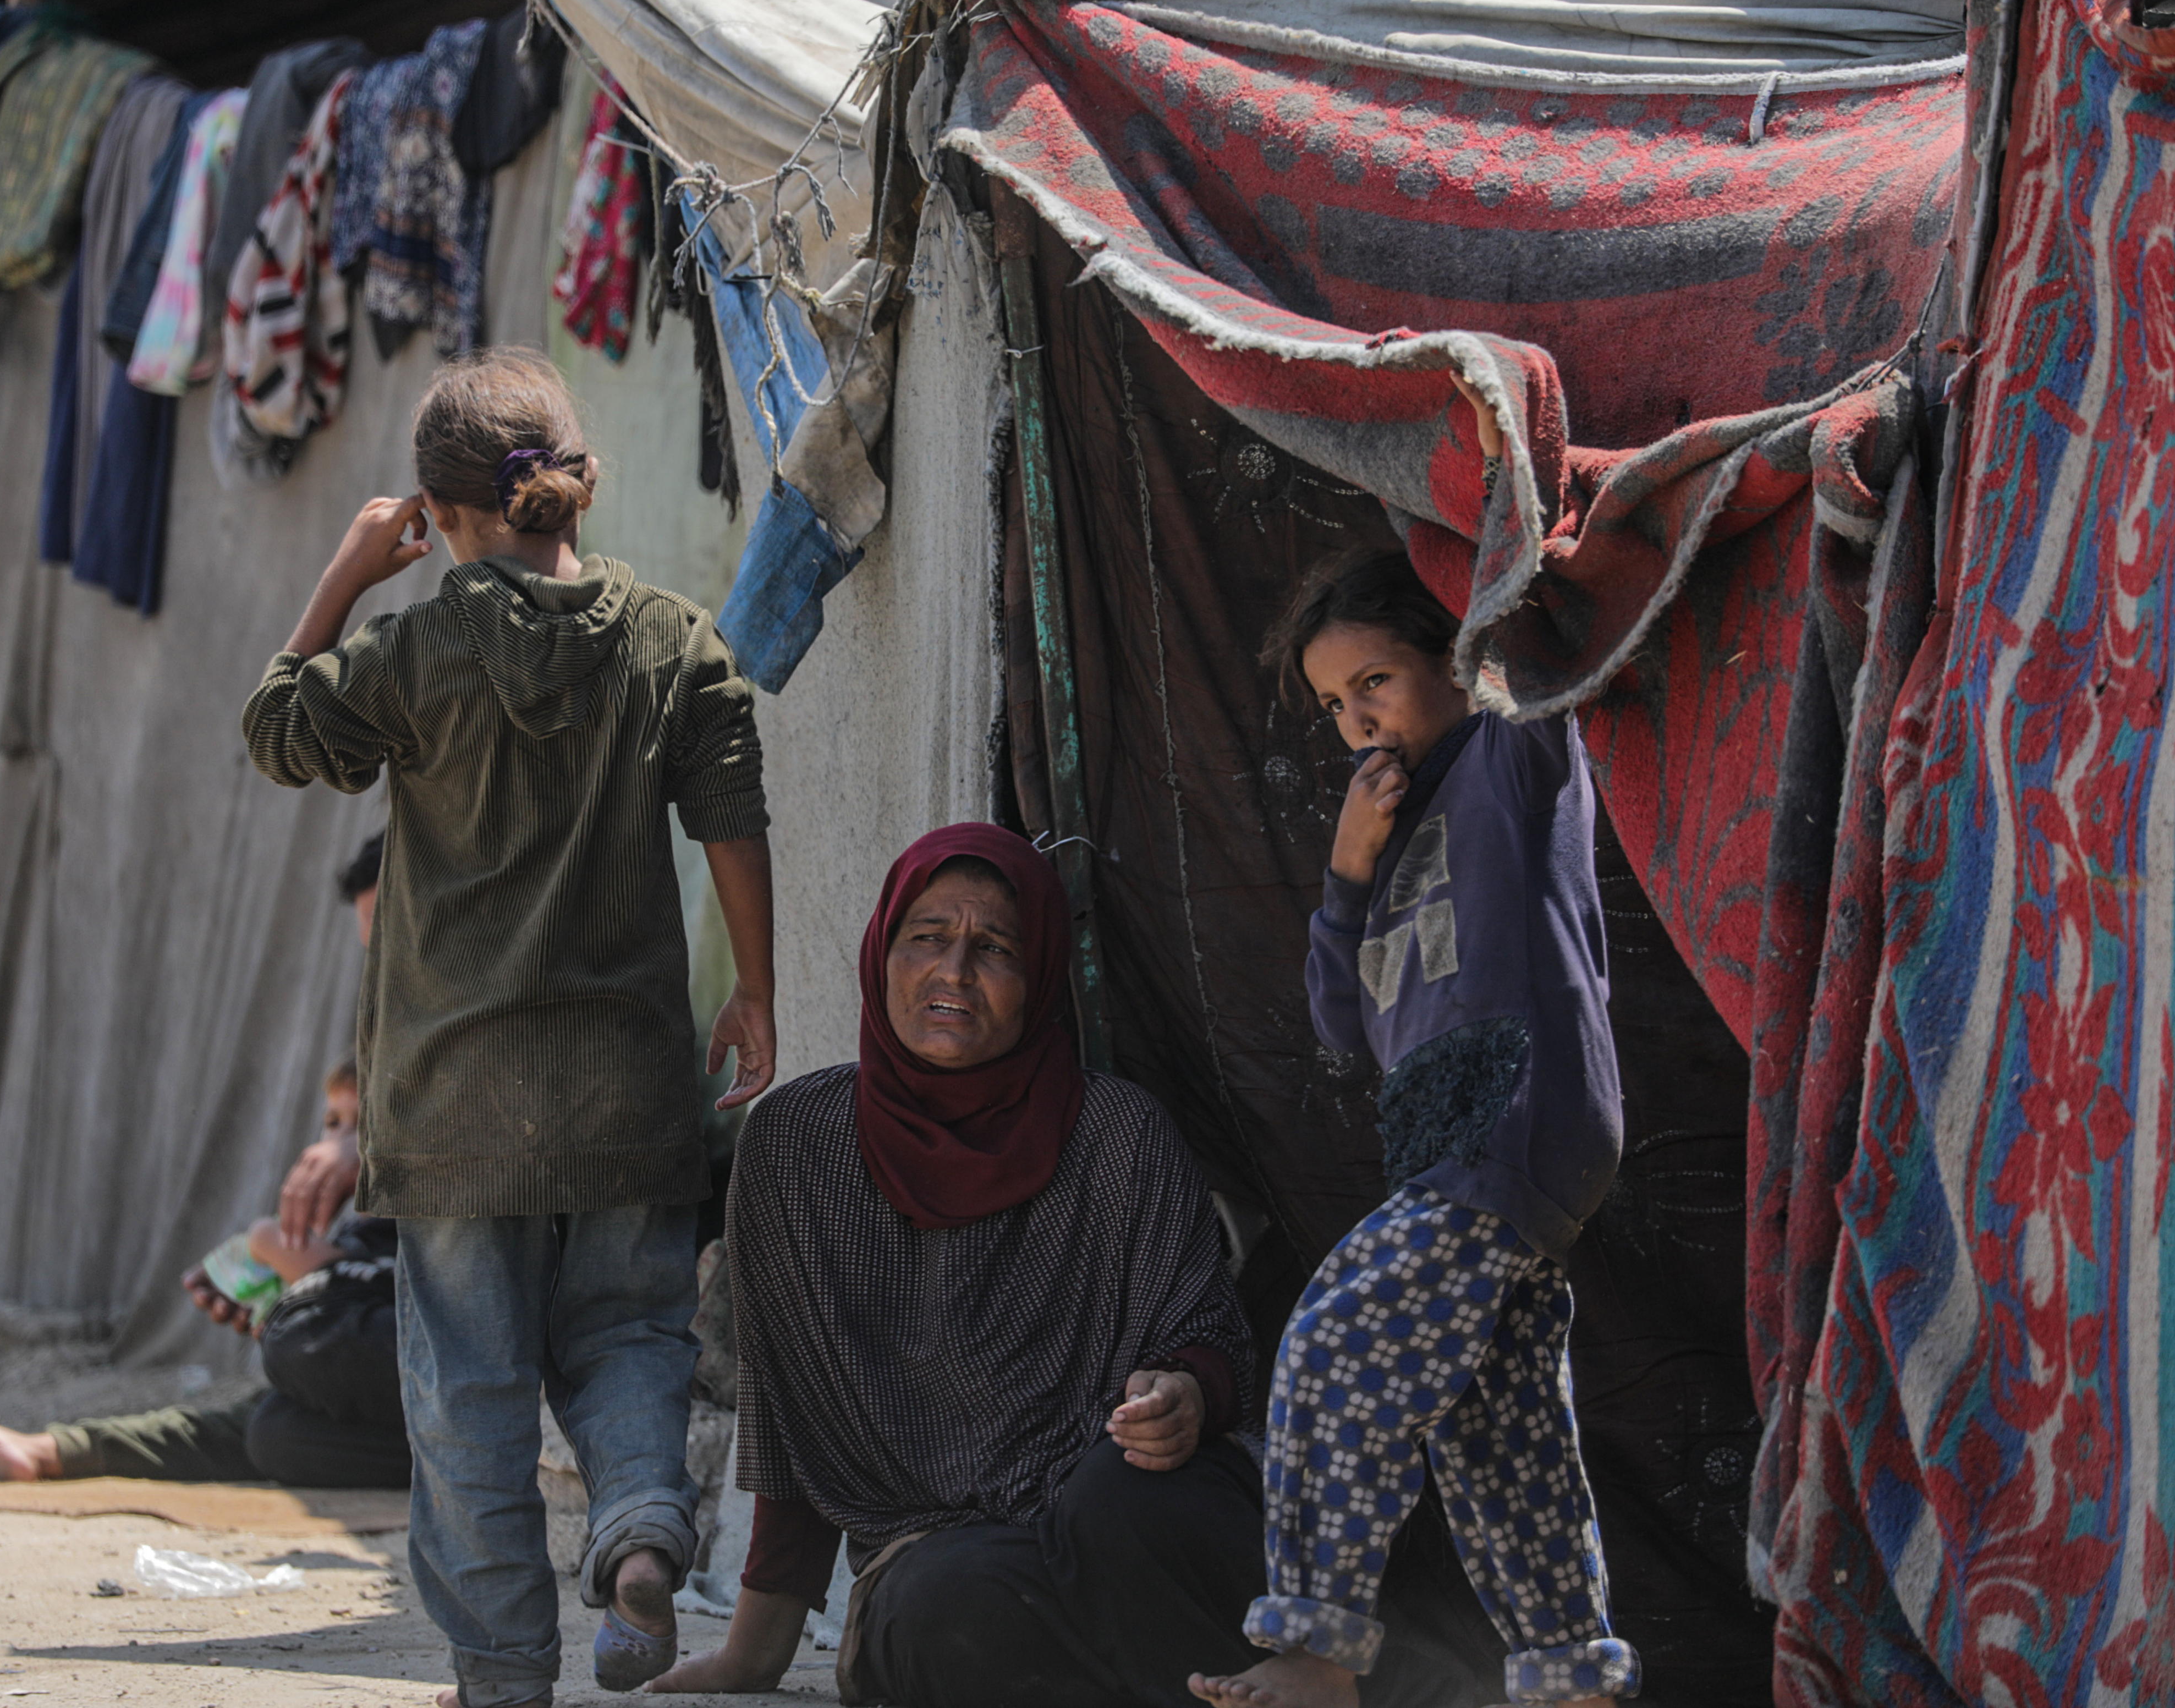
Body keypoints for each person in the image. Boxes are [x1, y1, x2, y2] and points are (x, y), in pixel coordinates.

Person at [241, 347, 775, 1705]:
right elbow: (731, 821)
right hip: (629, 1086)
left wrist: (355, 572)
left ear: (444, 512)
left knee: (468, 1391)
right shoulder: (672, 640)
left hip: (455, 1097)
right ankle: (644, 1527)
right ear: (569, 496)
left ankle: (501, 1671)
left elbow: (277, 731)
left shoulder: (413, 648)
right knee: (630, 1340)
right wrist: (757, 994)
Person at [1192, 419, 1636, 1708]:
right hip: (1448, 1142)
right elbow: (1340, 1025)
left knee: (1333, 1341)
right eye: (1333, 707)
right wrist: (1342, 875)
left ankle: (1317, 1643)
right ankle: (1570, 1674)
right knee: (1496, 1429)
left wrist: (1474, 459)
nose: (1354, 724)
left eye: (1374, 684)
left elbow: (1518, 617)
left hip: (1514, 1115)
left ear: (1453, 658)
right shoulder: (1381, 847)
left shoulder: (1509, 758)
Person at [647, 823, 1264, 1707]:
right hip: (939, 1552)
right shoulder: (795, 1148)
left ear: (1041, 976)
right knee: (946, 1610)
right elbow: (794, 1420)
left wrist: (1186, 1397)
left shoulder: (1121, 1135)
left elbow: (1207, 1335)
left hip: (1112, 1506)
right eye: (927, 937)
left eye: (997, 948)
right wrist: (754, 1654)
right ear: (881, 952)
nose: (955, 972)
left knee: (1123, 1504)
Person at [0, 1058, 411, 1489]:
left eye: (362, 1125)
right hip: (409, 1428)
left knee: (297, 1344)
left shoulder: (429, 1227)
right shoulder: (354, 1234)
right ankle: (56, 1451)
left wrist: (270, 1245)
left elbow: (398, 1328)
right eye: (333, 1122)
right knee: (273, 1429)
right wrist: (286, 1307)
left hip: (451, 1393)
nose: (341, 1141)